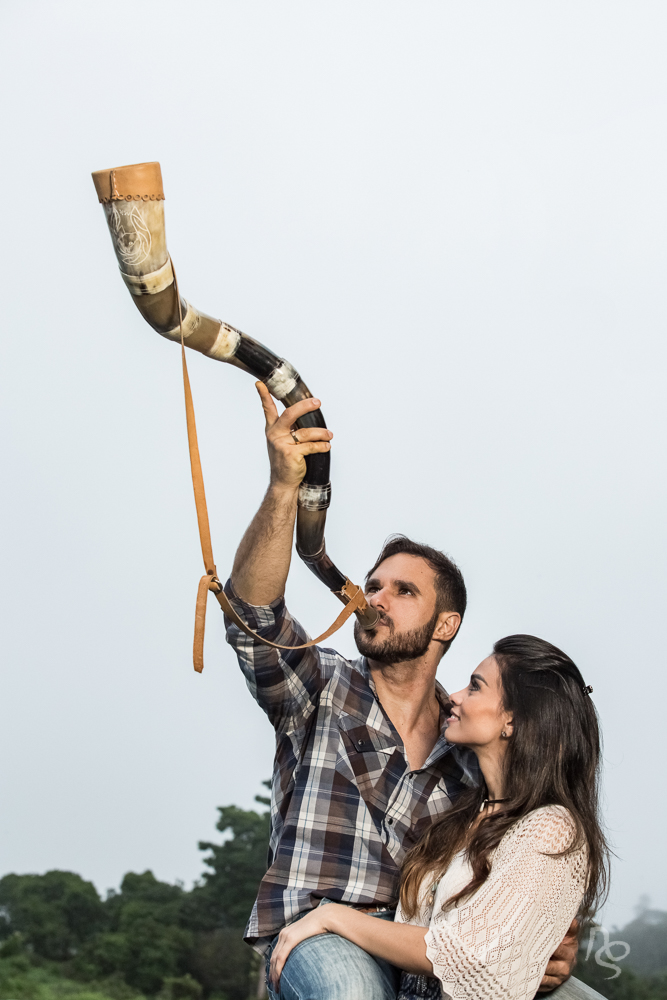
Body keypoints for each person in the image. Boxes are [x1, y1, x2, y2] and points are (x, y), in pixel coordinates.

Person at [223, 384, 587, 999]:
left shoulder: (475, 749)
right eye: (373, 585)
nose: (374, 599)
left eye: (403, 591)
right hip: (323, 938)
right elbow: (253, 617)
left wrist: (549, 943)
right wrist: (285, 487)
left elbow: (521, 871)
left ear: (447, 626)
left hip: (432, 959)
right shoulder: (322, 687)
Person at [268, 634, 610, 1000]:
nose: (455, 697)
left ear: (512, 720)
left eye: (475, 688)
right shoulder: (464, 813)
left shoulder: (551, 827)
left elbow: (467, 955)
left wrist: (334, 916)